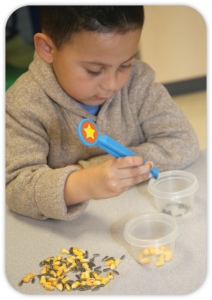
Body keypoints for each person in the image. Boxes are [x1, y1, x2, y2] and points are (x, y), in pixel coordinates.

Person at [5, 6, 200, 220]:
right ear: (47, 49)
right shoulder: (23, 103)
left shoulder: (139, 81)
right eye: (94, 71)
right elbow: (16, 189)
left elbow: (184, 142)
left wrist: (99, 169)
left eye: (125, 64)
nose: (112, 85)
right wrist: (84, 181)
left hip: (137, 214)